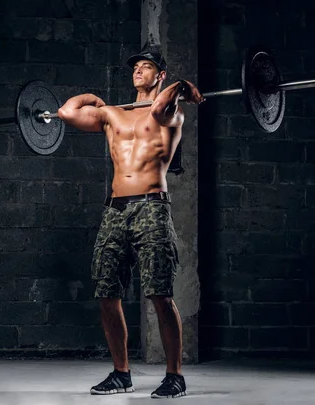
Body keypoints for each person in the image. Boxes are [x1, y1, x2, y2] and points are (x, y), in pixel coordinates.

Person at [57, 49, 204, 399]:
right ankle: (121, 373)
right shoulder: (113, 115)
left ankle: (174, 376)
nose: (138, 71)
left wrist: (182, 86)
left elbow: (157, 108)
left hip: (151, 206)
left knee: (160, 294)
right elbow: (66, 112)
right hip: (114, 209)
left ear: (161, 75)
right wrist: (93, 98)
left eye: (147, 67)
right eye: (135, 67)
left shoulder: (171, 113)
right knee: (107, 292)